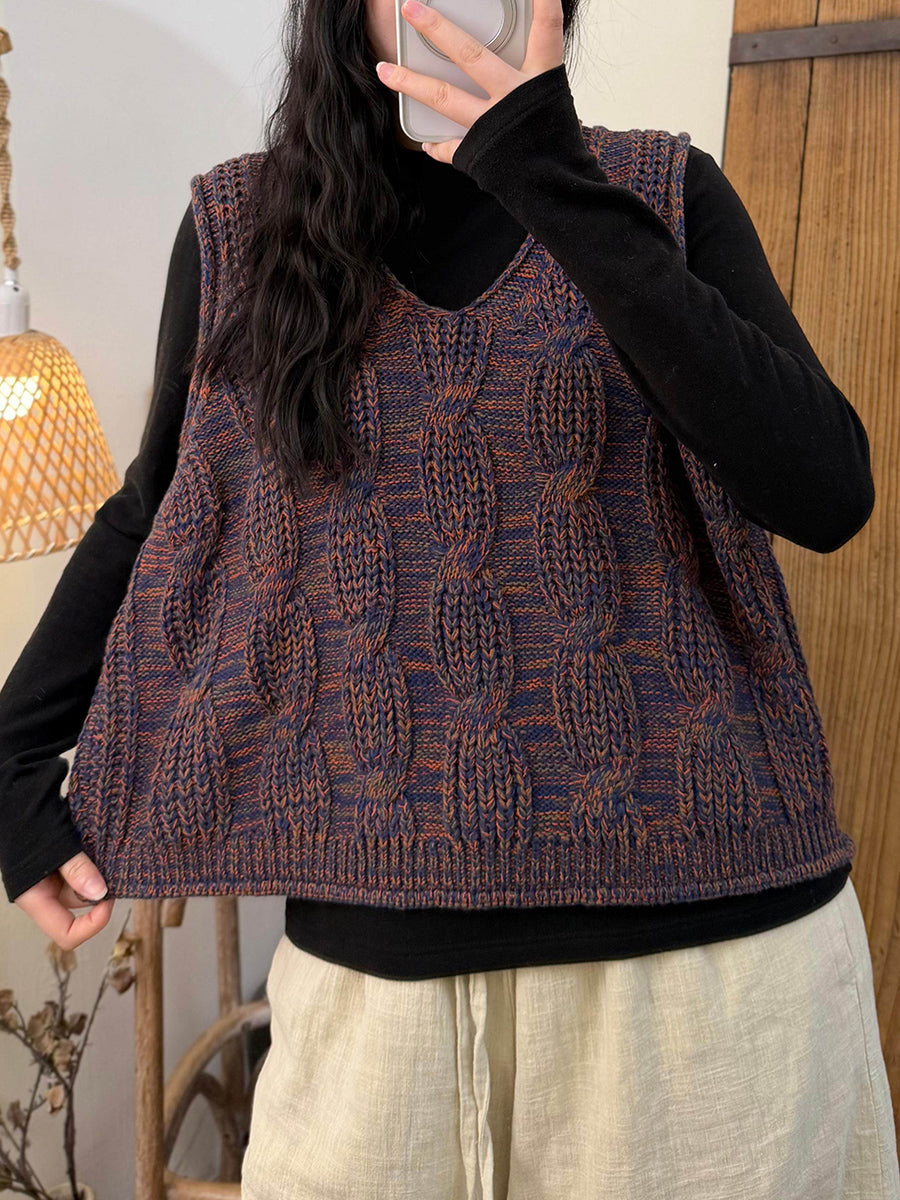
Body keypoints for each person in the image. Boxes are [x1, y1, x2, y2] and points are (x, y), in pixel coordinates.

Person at [1, 0, 897, 1195]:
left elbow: (826, 491)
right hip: (376, 988)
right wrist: (12, 753)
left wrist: (548, 175)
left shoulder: (664, 194)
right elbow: (161, 508)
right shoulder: (243, 231)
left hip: (708, 976)